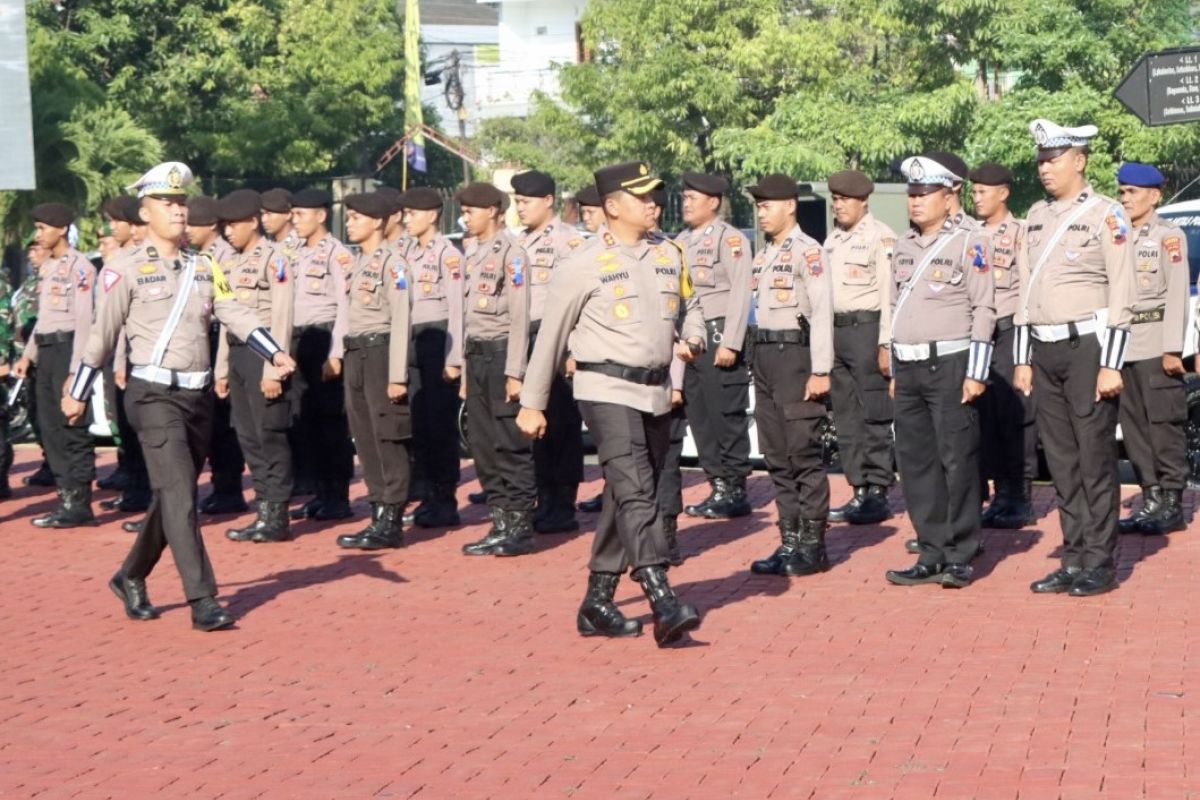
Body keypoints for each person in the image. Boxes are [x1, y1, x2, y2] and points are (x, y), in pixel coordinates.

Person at [61, 161, 296, 631]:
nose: (178, 211)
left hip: (197, 398)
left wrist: (274, 353)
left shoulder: (205, 265)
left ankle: (130, 575)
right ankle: (203, 599)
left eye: (181, 203)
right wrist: (79, 391)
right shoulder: (122, 270)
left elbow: (235, 311)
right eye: (167, 203)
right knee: (179, 496)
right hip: (152, 395)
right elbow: (101, 338)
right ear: (146, 213)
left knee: (175, 494)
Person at [517, 160, 705, 647]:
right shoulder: (581, 263)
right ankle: (661, 596)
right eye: (643, 197)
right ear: (613, 206)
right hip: (604, 389)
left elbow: (690, 307)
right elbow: (550, 338)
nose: (654, 205)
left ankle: (597, 602)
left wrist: (697, 334)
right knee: (640, 490)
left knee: (626, 494)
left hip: (656, 391)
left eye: (656, 196)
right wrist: (532, 402)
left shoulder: (670, 253)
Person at [1015, 119, 1135, 597]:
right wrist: (1023, 358)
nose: (1046, 168)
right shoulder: (1035, 215)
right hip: (1044, 349)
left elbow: (1124, 289)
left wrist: (1112, 363)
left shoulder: (1108, 215)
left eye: (1055, 159)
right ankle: (1073, 555)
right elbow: (1026, 292)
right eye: (1042, 160)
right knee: (1061, 460)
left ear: (1079, 161)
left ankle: (1099, 562)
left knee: (1094, 458)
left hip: (1088, 348)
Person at [882, 155, 995, 589]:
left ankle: (960, 552)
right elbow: (894, 308)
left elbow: (984, 307)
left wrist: (977, 371)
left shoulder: (972, 241)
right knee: (916, 464)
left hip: (950, 363)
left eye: (924, 193)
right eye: (911, 194)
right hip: (908, 367)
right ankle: (930, 551)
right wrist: (894, 367)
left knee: (958, 460)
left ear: (951, 197)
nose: (915, 202)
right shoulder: (904, 245)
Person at [743, 174, 835, 578]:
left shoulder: (807, 252)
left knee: (803, 455)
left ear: (789, 206)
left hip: (795, 356)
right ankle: (790, 541)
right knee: (777, 456)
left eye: (767, 206)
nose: (761, 213)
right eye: (759, 206)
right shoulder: (763, 255)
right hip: (765, 356)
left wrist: (820, 370)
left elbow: (821, 313)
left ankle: (813, 546)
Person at [457, 182, 537, 557]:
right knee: (483, 444)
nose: (464, 217)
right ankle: (500, 520)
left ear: (491, 210)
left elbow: (520, 315)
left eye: (470, 210)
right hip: (476, 356)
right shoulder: (472, 253)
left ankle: (519, 524)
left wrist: (515, 369)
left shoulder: (513, 253)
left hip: (503, 354)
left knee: (509, 443)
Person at [332, 192, 412, 549]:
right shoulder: (359, 262)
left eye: (356, 218)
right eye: (348, 218)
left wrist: (397, 375)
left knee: (387, 436)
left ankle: (392, 518)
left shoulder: (392, 264)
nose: (350, 223)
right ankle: (378, 511)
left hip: (381, 354)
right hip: (357, 352)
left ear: (378, 222)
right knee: (363, 435)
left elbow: (401, 320)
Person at [215, 190, 296, 543]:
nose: (228, 232)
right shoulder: (227, 264)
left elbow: (281, 316)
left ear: (253, 222)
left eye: (233, 224)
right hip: (236, 355)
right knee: (247, 436)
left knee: (270, 436)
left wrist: (272, 369)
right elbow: (226, 318)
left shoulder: (275, 258)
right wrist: (221, 369)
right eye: (224, 226)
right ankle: (263, 508)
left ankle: (276, 514)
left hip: (264, 356)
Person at [1114, 162, 1190, 535]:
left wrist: (1173, 347)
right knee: (1134, 428)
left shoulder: (1168, 236)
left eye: (1133, 192)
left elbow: (1177, 293)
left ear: (1154, 195)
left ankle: (1172, 502)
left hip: (1156, 341)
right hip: (1122, 345)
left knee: (1163, 425)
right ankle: (1151, 498)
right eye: (1122, 192)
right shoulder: (1116, 235)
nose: (1125, 198)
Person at [673, 172, 755, 521]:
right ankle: (717, 484)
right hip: (691, 338)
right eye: (685, 197)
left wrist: (732, 342)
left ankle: (735, 488)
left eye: (693, 198)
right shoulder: (680, 241)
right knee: (700, 415)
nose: (685, 203)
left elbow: (740, 293)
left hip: (720, 332)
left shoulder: (730, 239)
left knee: (725, 414)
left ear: (713, 202)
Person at [512, 170, 587, 534]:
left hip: (558, 339)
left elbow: (577, 299)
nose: (519, 208)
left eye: (525, 202)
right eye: (516, 202)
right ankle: (544, 497)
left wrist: (572, 349)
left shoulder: (568, 241)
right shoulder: (518, 242)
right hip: (526, 338)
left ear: (547, 201)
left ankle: (563, 503)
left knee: (562, 424)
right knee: (535, 423)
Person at [14, 203, 97, 528]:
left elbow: (84, 321)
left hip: (68, 351)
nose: (39, 234)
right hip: (47, 351)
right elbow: (44, 320)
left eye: (43, 228)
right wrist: (28, 355)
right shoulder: (49, 269)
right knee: (49, 427)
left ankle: (80, 502)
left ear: (61, 229)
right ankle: (65, 497)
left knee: (72, 427)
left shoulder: (81, 268)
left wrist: (77, 370)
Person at [822, 170, 896, 525]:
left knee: (874, 414)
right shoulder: (831, 241)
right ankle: (858, 489)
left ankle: (879, 490)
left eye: (845, 200)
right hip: (836, 334)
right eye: (835, 200)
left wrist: (885, 343)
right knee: (846, 417)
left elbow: (889, 295)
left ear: (863, 201)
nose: (839, 206)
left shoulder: (881, 238)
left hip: (867, 330)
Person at [970, 162, 1037, 529]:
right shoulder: (970, 234)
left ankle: (1020, 495)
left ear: (1003, 193)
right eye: (974, 191)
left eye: (983, 192)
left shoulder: (1020, 232)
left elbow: (1027, 285)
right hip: (980, 334)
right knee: (988, 415)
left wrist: (1026, 345)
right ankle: (1000, 494)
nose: (976, 198)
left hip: (1011, 328)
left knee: (1016, 414)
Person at [285, 188, 355, 522]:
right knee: (305, 419)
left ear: (321, 215)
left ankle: (338, 496)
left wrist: (337, 352)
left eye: (300, 214)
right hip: (298, 340)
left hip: (324, 338)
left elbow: (345, 306)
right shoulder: (293, 252)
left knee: (331, 422)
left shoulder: (337, 254)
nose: (294, 220)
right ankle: (321, 492)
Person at [400, 187, 465, 528]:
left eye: (412, 213)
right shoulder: (407, 252)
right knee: (418, 423)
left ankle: (445, 498)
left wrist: (454, 358)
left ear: (432, 215)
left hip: (439, 340)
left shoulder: (447, 254)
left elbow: (457, 308)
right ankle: (426, 494)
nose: (406, 219)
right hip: (412, 340)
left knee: (440, 425)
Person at [186, 195, 249, 515]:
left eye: (192, 222)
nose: (187, 229)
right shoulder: (200, 256)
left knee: (223, 419)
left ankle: (229, 488)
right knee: (209, 418)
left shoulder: (225, 257)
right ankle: (221, 484)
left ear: (212, 224)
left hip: (221, 337)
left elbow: (227, 308)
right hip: (205, 338)